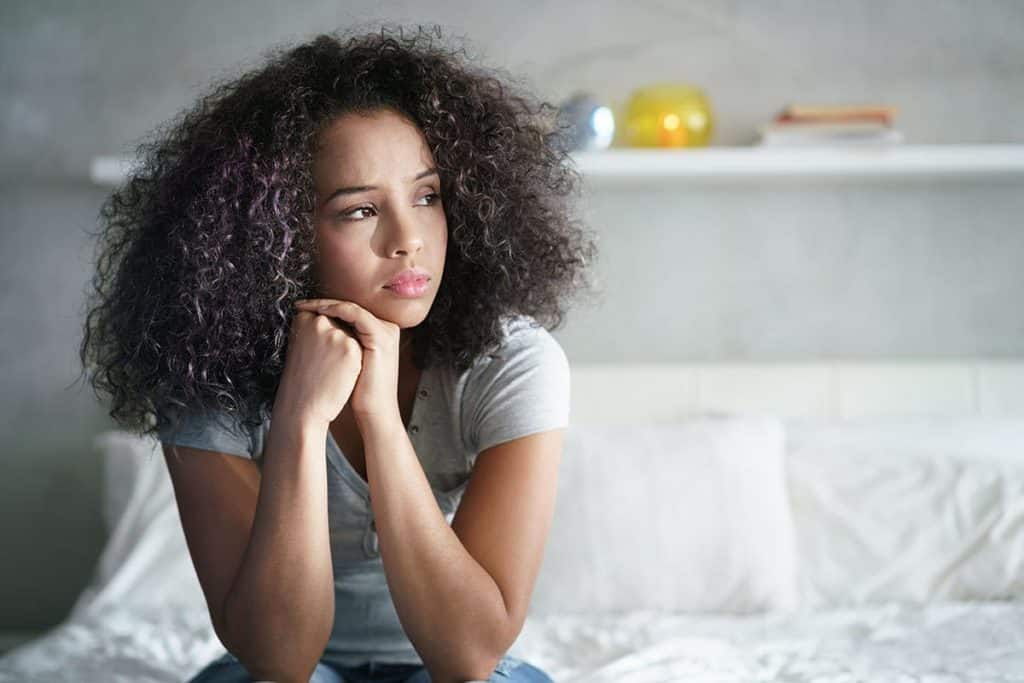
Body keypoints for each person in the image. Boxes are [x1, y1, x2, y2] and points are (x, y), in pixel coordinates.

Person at [78, 22, 598, 683]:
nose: (409, 238)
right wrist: (298, 418)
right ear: (277, 235)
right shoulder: (203, 370)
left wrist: (379, 417)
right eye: (358, 211)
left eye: (427, 195)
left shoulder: (512, 361)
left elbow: (469, 654)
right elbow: (278, 657)